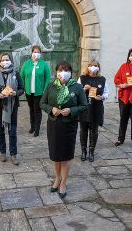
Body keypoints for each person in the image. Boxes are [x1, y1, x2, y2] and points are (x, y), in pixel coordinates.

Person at [40, 61, 87, 199]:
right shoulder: (51, 86)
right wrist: (51, 109)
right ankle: (56, 178)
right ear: (56, 72)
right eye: (60, 70)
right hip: (54, 124)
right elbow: (42, 103)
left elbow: (84, 105)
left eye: (66, 70)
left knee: (66, 155)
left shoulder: (77, 87)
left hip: (69, 125)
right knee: (55, 154)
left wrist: (71, 110)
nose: (63, 72)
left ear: (71, 73)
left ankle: (63, 183)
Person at [0, 53, 24, 165]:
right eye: (3, 60)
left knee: (12, 130)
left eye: (7, 59)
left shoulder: (15, 73)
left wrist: (15, 93)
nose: (5, 62)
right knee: (0, 130)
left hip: (12, 106)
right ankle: (3, 152)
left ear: (11, 61)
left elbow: (22, 89)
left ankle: (13, 154)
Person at [78, 60, 109, 162]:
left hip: (96, 108)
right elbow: (77, 91)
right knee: (83, 130)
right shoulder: (82, 78)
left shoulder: (102, 79)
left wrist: (102, 97)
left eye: (95, 66)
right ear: (88, 67)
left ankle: (91, 151)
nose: (93, 68)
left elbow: (106, 93)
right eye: (91, 66)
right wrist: (83, 89)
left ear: (98, 68)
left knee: (94, 130)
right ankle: (84, 151)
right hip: (84, 108)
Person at [20, 45, 51, 137]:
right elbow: (21, 76)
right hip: (29, 91)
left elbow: (47, 78)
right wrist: (23, 88)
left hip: (39, 92)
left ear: (40, 54)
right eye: (34, 52)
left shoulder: (44, 64)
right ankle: (32, 126)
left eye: (38, 52)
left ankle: (37, 129)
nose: (36, 54)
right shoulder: (27, 63)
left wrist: (44, 90)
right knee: (31, 109)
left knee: (37, 110)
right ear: (32, 53)